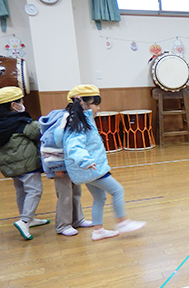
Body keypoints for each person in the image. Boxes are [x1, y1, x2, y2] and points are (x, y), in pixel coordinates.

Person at [55, 85, 146, 241]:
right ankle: (122, 222)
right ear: (83, 103)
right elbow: (73, 146)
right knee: (117, 190)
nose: (98, 108)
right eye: (95, 104)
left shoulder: (82, 120)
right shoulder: (79, 124)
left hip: (89, 170)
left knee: (100, 198)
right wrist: (86, 161)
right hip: (92, 169)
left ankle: (98, 230)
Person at [0, 86, 50, 240]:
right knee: (34, 190)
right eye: (20, 101)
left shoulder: (2, 122)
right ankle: (25, 221)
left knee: (21, 191)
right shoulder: (20, 121)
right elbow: (37, 132)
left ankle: (28, 217)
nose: (23, 104)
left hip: (10, 165)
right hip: (26, 164)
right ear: (13, 105)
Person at [40, 108, 92, 236]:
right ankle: (63, 225)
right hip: (60, 166)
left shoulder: (75, 118)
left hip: (70, 165)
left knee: (76, 192)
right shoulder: (64, 119)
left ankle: (77, 219)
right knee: (65, 195)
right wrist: (56, 166)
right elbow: (50, 144)